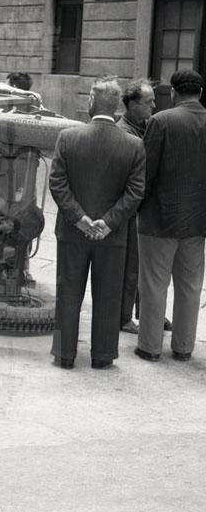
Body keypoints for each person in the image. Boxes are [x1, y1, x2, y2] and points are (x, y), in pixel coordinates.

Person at [49, 77, 145, 370]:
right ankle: (102, 356)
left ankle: (64, 354)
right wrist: (108, 222)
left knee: (67, 294)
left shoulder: (67, 137)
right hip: (111, 236)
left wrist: (79, 218)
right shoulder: (134, 144)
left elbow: (57, 183)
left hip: (72, 232)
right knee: (108, 296)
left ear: (91, 101)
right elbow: (135, 192)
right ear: (117, 107)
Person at [135, 69, 206, 363]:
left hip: (159, 218)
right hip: (198, 221)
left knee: (154, 284)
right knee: (190, 287)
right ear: (200, 93)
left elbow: (145, 173)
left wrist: (137, 206)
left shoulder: (160, 121)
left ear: (174, 92)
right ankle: (183, 347)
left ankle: (150, 347)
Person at [115, 79, 172, 335]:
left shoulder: (147, 126)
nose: (154, 106)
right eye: (148, 102)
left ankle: (149, 312)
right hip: (131, 206)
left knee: (149, 265)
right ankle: (124, 317)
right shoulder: (123, 132)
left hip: (147, 205)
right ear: (132, 105)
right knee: (131, 265)